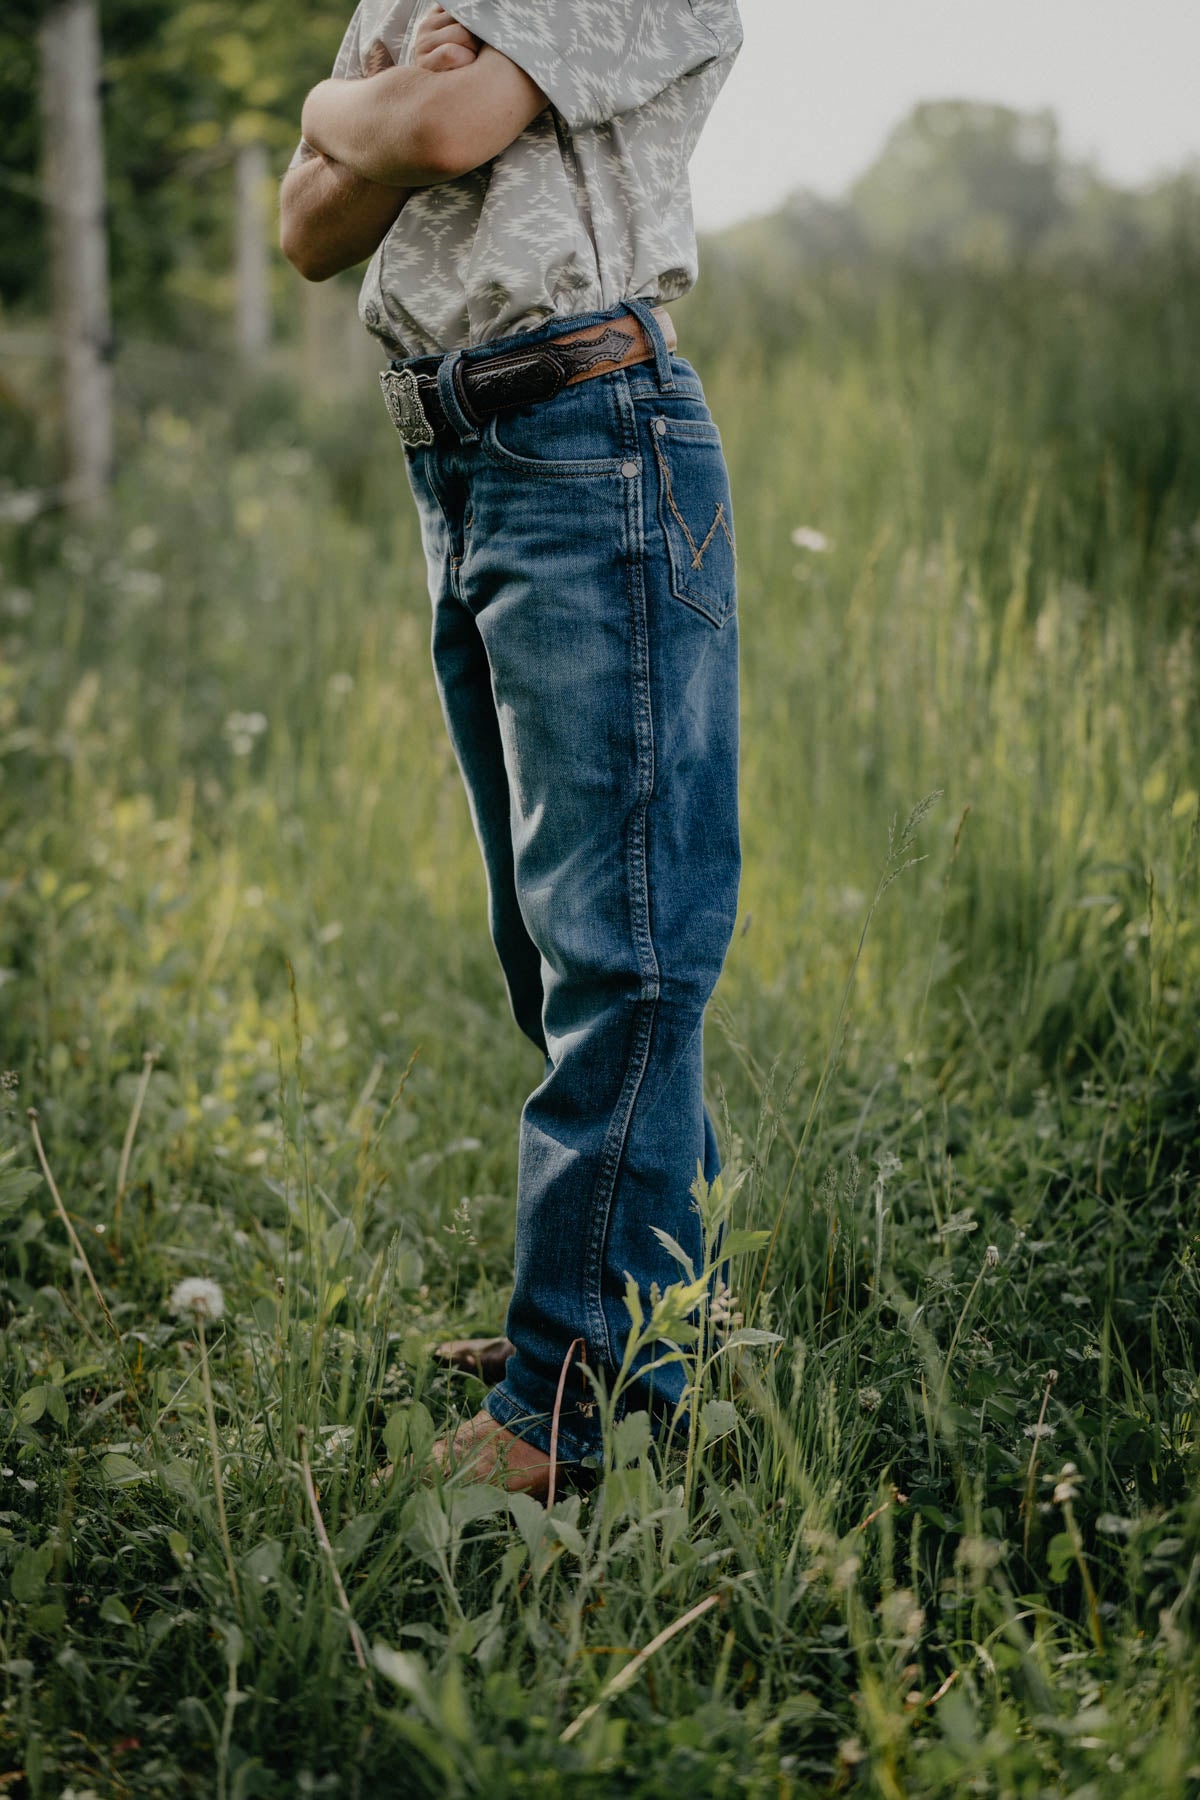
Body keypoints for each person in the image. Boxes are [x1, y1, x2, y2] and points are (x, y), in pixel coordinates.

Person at [282, 0, 743, 1499]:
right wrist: (373, 115)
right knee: (549, 947)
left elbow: (435, 132)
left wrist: (342, 109)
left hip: (590, 433)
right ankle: (643, 1325)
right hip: (460, 455)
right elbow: (307, 229)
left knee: (621, 946)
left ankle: (574, 1400)